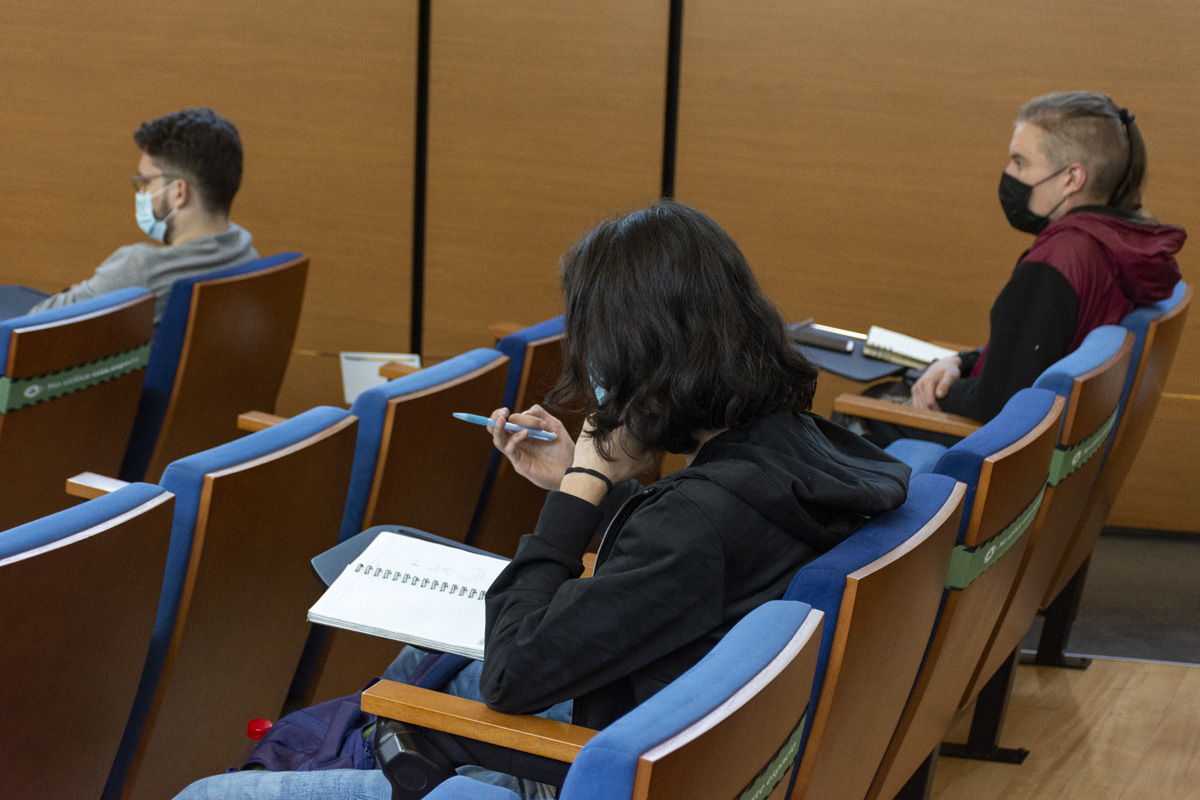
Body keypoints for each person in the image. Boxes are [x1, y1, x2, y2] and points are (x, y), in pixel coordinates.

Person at [172, 200, 910, 800]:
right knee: (419, 668)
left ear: (639, 361)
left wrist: (585, 488)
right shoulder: (805, 450)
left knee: (207, 794)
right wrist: (579, 480)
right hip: (682, 733)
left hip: (589, 759)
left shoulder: (699, 520)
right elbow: (684, 579)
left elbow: (514, 674)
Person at [870, 92, 1185, 445]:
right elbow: (1034, 350)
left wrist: (932, 386)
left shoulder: (1055, 264)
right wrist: (958, 362)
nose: (1009, 175)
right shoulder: (1117, 243)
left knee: (865, 410)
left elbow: (995, 407)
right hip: (1045, 444)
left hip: (996, 449)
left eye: (1020, 163)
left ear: (1071, 178)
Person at [18, 107, 258, 324]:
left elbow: (30, 327)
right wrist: (101, 292)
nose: (141, 192)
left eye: (145, 182)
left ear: (178, 192)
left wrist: (98, 291)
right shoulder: (247, 253)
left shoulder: (140, 269)